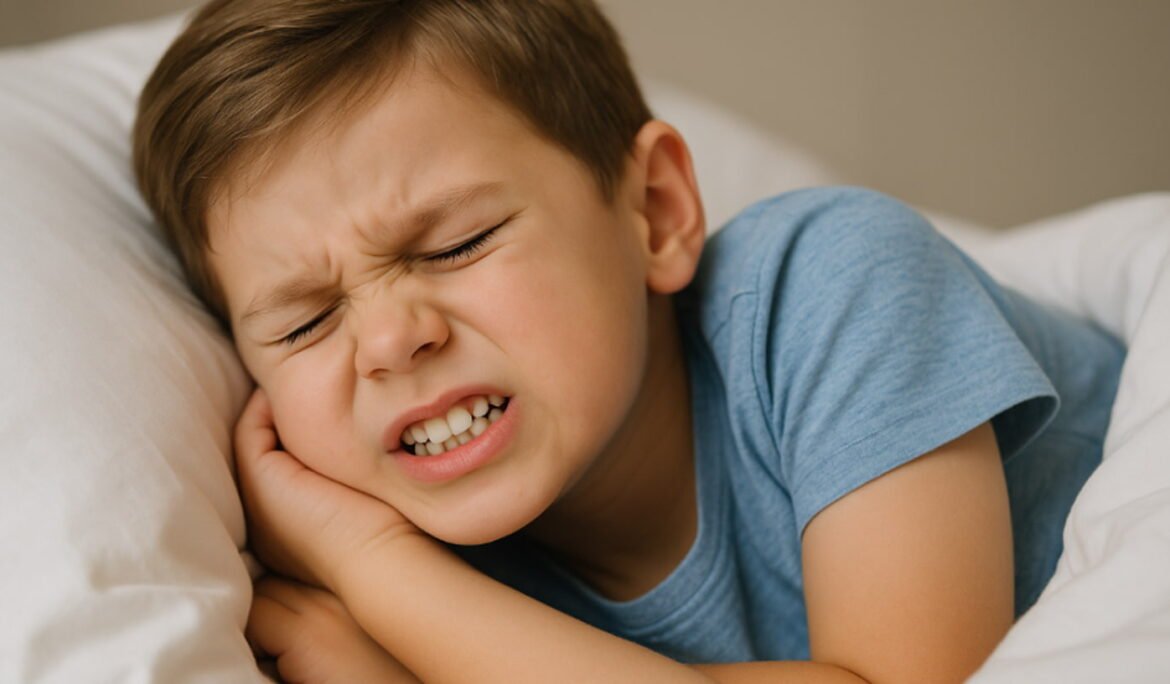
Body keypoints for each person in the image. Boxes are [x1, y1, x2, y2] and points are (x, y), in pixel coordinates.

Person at [132, 1, 1124, 681]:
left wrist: (381, 574)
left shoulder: (830, 283)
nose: (390, 339)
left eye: (456, 242)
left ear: (654, 211)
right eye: (306, 321)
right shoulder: (463, 568)